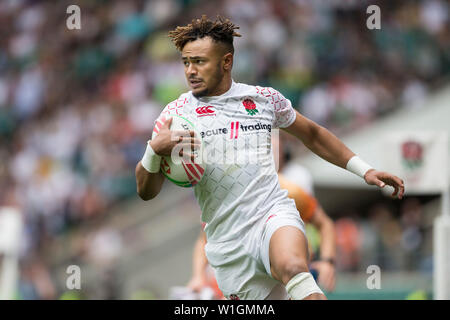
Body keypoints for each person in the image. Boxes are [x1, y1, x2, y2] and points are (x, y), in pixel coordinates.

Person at [135, 15, 404, 300]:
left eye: (199, 61)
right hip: (228, 245)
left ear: (226, 62)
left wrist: (364, 170)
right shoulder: (174, 117)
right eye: (186, 62)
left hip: (271, 214)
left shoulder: (263, 99)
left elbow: (312, 134)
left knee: (293, 266)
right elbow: (145, 191)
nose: (191, 70)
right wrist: (154, 151)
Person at [186, 134, 336, 298]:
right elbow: (203, 238)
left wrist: (327, 262)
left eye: (275, 149)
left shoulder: (289, 189)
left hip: (285, 274)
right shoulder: (227, 191)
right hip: (242, 277)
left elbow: (324, 223)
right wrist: (198, 276)